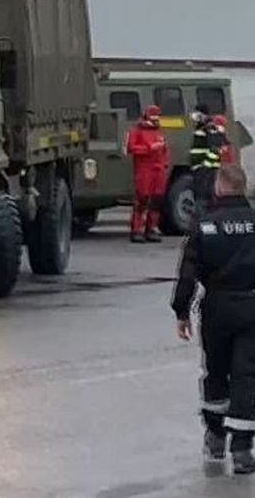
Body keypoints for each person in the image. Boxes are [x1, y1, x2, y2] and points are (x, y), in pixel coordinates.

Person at [172, 164, 255, 473]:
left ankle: (216, 438)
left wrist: (182, 311)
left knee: (216, 371)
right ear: (243, 189)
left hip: (216, 308)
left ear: (219, 187)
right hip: (251, 305)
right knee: (247, 376)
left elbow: (188, 272)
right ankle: (243, 450)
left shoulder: (204, 224)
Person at [126, 105, 170, 243]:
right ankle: (137, 229)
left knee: (157, 199)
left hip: (158, 169)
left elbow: (165, 149)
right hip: (144, 169)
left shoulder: (159, 131)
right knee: (142, 199)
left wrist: (165, 163)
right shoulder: (136, 131)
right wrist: (149, 148)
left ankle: (151, 228)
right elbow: (130, 148)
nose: (155, 121)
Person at [191, 104, 223, 216]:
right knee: (200, 196)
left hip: (206, 170)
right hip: (200, 169)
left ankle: (205, 220)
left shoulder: (209, 128)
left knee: (203, 198)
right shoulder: (201, 127)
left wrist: (206, 166)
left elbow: (215, 149)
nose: (194, 116)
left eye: (197, 113)